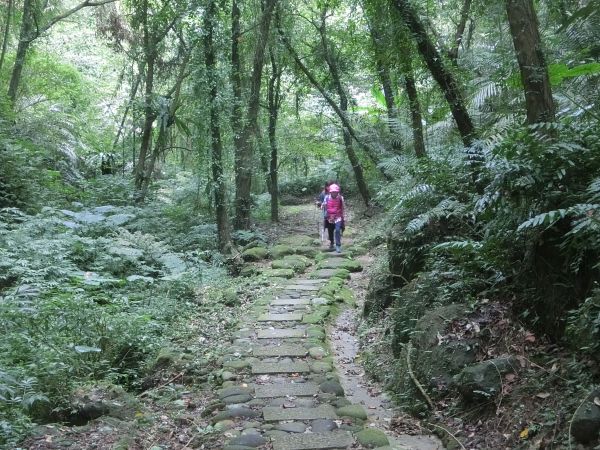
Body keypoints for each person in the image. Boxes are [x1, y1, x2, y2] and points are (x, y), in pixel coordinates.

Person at [322, 183, 345, 253]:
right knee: (330, 231)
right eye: (333, 192)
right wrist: (322, 205)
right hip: (329, 217)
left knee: (337, 230)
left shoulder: (340, 198)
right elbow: (324, 205)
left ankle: (338, 245)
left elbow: (343, 207)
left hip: (338, 217)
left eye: (335, 192)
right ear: (330, 192)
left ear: (337, 192)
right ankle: (332, 242)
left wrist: (343, 216)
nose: (334, 193)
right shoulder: (327, 197)